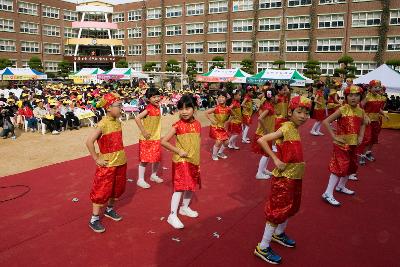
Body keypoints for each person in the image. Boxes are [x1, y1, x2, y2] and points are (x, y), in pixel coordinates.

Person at [254, 96, 311, 265]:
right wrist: (275, 160)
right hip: (284, 179)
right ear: (290, 112)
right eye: (299, 112)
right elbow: (262, 139)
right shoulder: (286, 127)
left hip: (295, 177)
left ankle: (278, 234)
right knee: (277, 210)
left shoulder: (295, 128)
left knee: (290, 207)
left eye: (306, 113)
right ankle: (263, 246)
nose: (303, 116)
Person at [86, 93, 127, 233]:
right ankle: (94, 219)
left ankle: (109, 210)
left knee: (116, 189)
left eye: (121, 105)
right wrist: (97, 158)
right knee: (101, 190)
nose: (121, 108)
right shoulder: (103, 124)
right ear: (109, 107)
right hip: (107, 165)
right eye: (118, 105)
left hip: (121, 161)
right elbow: (89, 142)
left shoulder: (118, 121)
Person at [161, 94, 201, 229]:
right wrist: (178, 151)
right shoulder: (177, 125)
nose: (184, 111)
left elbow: (196, 143)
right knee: (180, 187)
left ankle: (184, 207)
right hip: (181, 160)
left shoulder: (197, 124)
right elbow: (164, 141)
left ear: (194, 108)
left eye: (188, 108)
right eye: (181, 109)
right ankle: (172, 215)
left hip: (193, 160)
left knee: (190, 185)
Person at [322, 85, 366, 206]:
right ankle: (327, 193)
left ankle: (341, 186)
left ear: (360, 97)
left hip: (353, 144)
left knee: (351, 166)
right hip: (341, 144)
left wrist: (361, 136)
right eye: (350, 95)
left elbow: (363, 124)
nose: (353, 98)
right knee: (339, 167)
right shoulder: (342, 109)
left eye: (356, 95)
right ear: (346, 97)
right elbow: (326, 121)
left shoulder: (361, 111)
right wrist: (334, 136)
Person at [134, 87, 163, 189]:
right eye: (153, 97)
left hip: (156, 137)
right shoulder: (148, 109)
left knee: (156, 158)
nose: (156, 99)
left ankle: (153, 175)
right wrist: (143, 131)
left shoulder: (158, 107)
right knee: (145, 160)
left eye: (157, 96)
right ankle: (140, 179)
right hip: (147, 139)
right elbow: (137, 118)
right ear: (148, 99)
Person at [358, 80, 389, 165]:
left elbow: (378, 109)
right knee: (367, 139)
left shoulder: (380, 97)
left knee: (374, 139)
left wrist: (384, 114)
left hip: (376, 121)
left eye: (379, 87)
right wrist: (365, 116)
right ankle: (362, 155)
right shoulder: (367, 97)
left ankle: (368, 153)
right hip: (367, 122)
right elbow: (360, 108)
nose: (378, 89)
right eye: (375, 87)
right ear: (370, 88)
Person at [252, 90, 275, 180]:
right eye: (275, 96)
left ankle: (264, 169)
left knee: (268, 153)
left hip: (267, 133)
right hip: (264, 134)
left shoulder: (267, 105)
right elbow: (260, 118)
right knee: (266, 154)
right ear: (272, 97)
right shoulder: (268, 107)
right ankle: (259, 173)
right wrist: (266, 129)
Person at [206, 91, 231, 161]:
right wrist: (211, 119)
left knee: (226, 143)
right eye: (219, 97)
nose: (221, 99)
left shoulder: (228, 109)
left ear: (226, 99)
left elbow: (233, 115)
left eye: (222, 97)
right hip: (215, 127)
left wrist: (228, 121)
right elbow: (206, 113)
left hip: (222, 127)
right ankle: (214, 155)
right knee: (219, 141)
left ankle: (220, 153)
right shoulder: (216, 108)